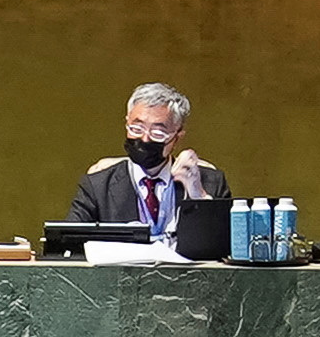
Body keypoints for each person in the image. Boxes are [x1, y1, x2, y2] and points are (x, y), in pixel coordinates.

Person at [67, 80, 232, 259]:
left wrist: (198, 195)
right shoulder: (97, 186)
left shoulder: (210, 182)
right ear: (126, 124)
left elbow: (228, 248)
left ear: (177, 137)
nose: (145, 139)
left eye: (158, 133)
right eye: (136, 128)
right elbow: (68, 246)